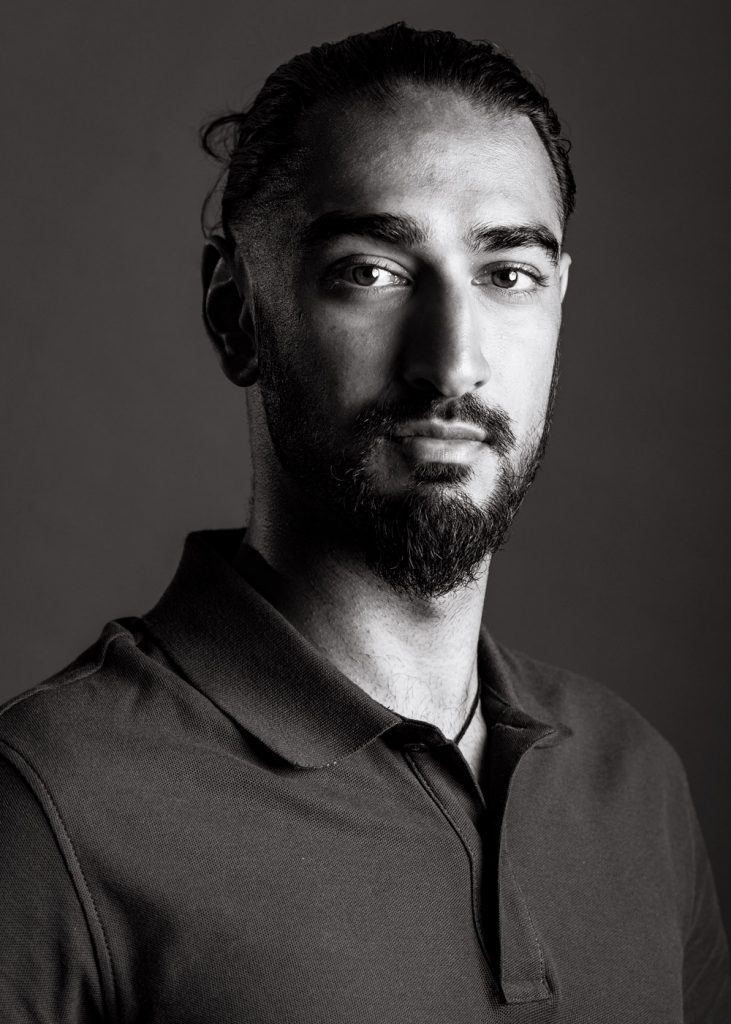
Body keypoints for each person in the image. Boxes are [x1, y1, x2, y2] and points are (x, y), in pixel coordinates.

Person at [1, 22, 728, 1023]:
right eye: (371, 271)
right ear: (234, 311)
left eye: (506, 272)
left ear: (557, 301)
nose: (450, 361)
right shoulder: (49, 805)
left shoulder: (631, 782)